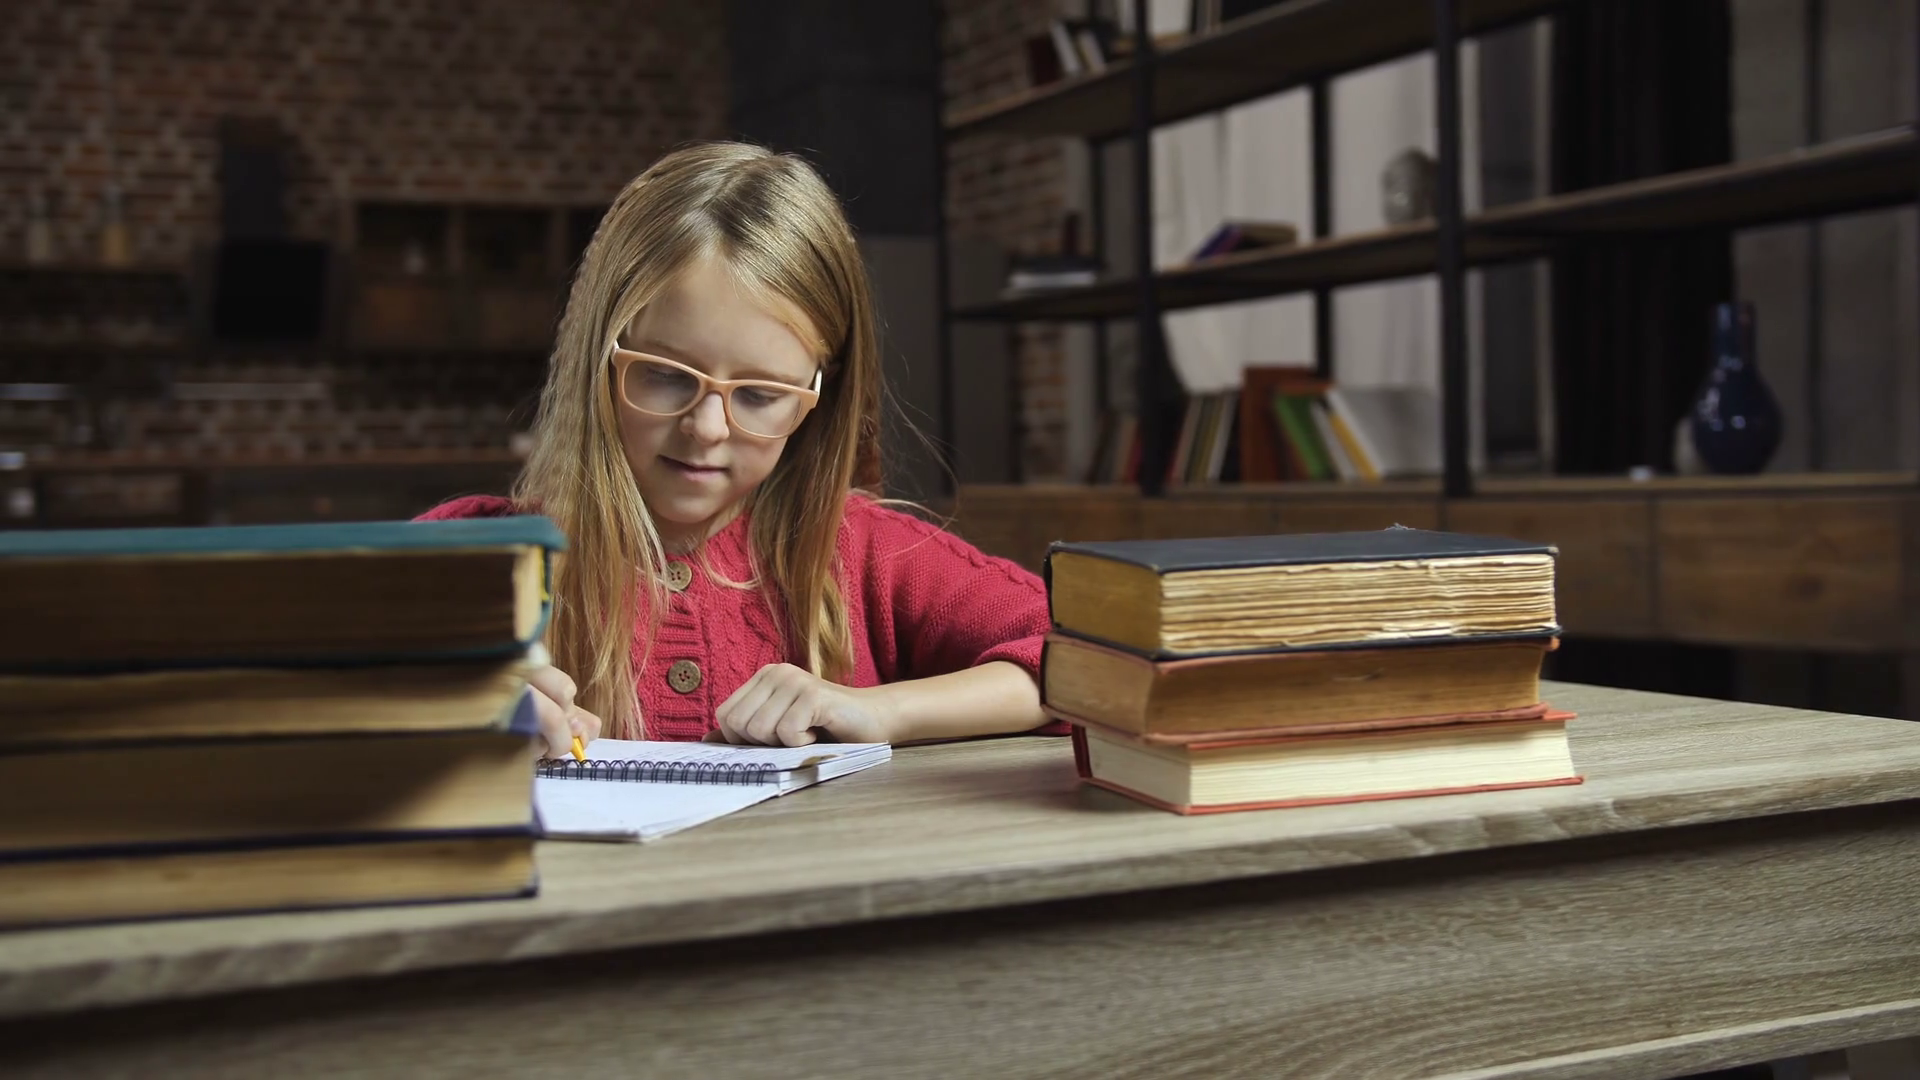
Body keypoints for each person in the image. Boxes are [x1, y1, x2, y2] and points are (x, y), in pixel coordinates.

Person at [418, 141, 1064, 759]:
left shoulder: (870, 554)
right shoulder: (474, 555)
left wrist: (887, 710)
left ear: (820, 399)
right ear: (599, 360)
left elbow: (1092, 655)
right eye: (665, 375)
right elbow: (353, 677)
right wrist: (434, 702)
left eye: (759, 395)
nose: (706, 428)